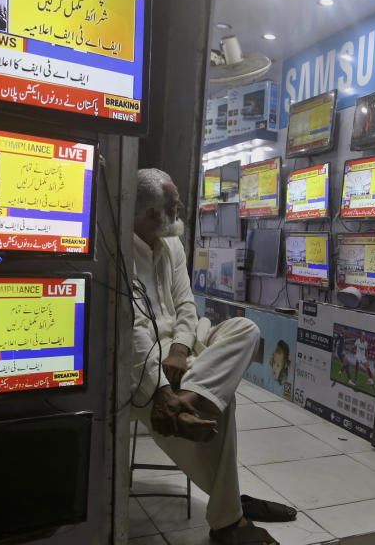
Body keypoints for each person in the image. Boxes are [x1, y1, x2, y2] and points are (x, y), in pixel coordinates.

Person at [129, 168, 295, 545]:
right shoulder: (120, 255)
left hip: (183, 351)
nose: (181, 208)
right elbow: (133, 334)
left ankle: (185, 403)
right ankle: (228, 517)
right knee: (222, 402)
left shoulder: (171, 242)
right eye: (173, 205)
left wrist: (180, 348)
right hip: (145, 368)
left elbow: (187, 304)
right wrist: (161, 388)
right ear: (150, 215)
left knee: (247, 331)